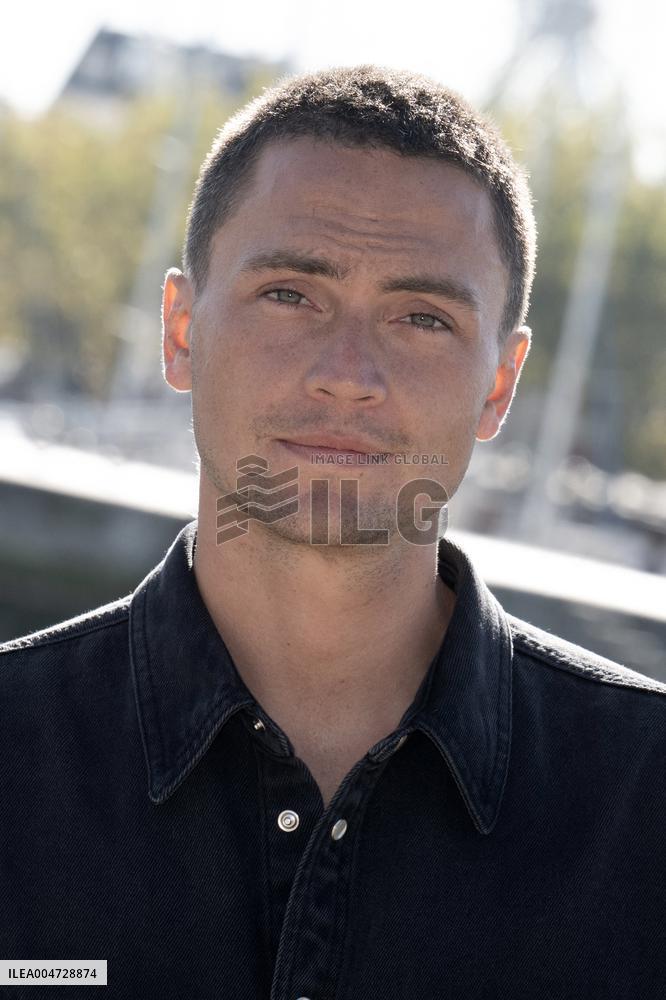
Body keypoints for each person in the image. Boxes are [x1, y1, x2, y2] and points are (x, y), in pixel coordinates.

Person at [1, 65, 664, 1000]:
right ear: (181, 329)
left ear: (499, 387)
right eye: (290, 295)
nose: (348, 374)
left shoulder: (646, 810)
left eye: (422, 318)